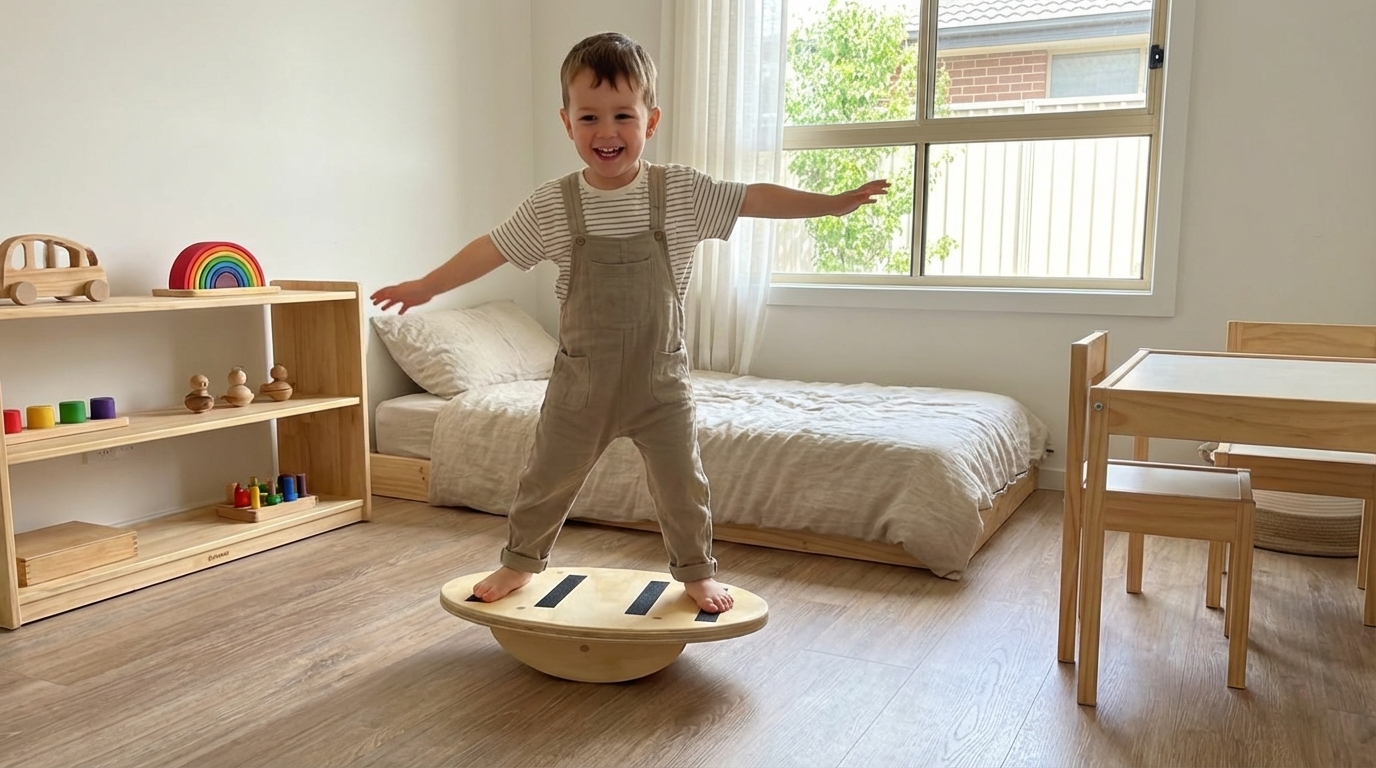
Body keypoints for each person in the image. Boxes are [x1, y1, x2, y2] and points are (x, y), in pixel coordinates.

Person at [371, 32, 887, 613]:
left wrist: (834, 201)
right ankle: (519, 563)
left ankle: (695, 572)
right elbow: (490, 248)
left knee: (681, 485)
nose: (606, 132)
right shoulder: (553, 204)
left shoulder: (681, 192)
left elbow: (754, 199)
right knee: (545, 479)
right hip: (579, 386)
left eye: (623, 115)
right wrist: (425, 287)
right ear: (566, 123)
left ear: (652, 120)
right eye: (588, 116)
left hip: (659, 382)